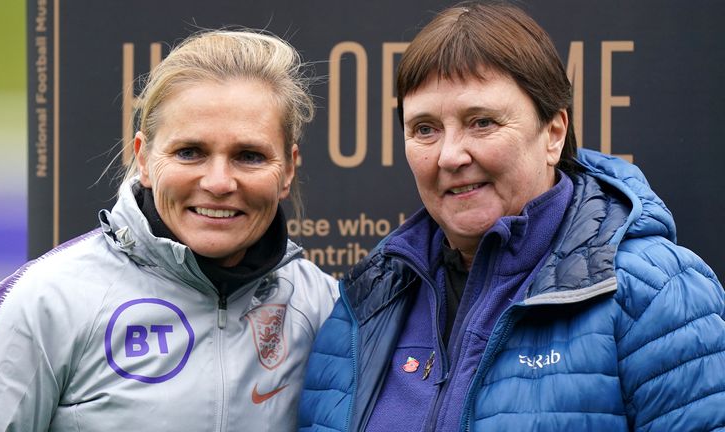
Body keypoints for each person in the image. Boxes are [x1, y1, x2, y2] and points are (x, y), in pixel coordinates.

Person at [299, 2, 725, 431]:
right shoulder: (365, 303)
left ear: (553, 134)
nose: (449, 155)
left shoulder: (652, 292)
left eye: (481, 122)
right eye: (425, 129)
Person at [0, 29, 338, 431]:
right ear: (144, 158)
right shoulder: (46, 303)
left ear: (288, 170)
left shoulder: (323, 308)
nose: (220, 181)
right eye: (190, 152)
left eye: (249, 156)